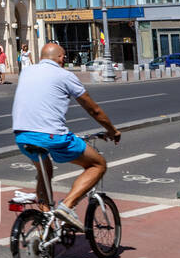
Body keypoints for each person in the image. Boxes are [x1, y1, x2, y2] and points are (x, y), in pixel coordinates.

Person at [11, 42, 121, 232]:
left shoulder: (26, 72)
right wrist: (112, 130)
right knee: (97, 165)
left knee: (44, 173)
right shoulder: (65, 75)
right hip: (52, 137)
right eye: (64, 57)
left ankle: (47, 227)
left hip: (22, 136)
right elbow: (93, 109)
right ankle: (67, 206)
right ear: (61, 58)